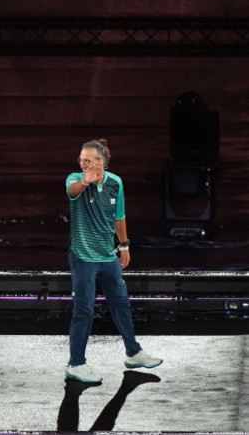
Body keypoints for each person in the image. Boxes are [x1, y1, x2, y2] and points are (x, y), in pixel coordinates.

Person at [65, 139, 162, 383]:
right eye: (81, 160)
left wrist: (124, 245)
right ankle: (76, 363)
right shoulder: (74, 179)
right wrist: (84, 181)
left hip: (108, 257)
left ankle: (133, 353)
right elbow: (72, 191)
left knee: (121, 304)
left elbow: (119, 216)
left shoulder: (116, 183)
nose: (83, 164)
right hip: (83, 257)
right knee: (84, 310)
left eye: (88, 160)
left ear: (101, 161)